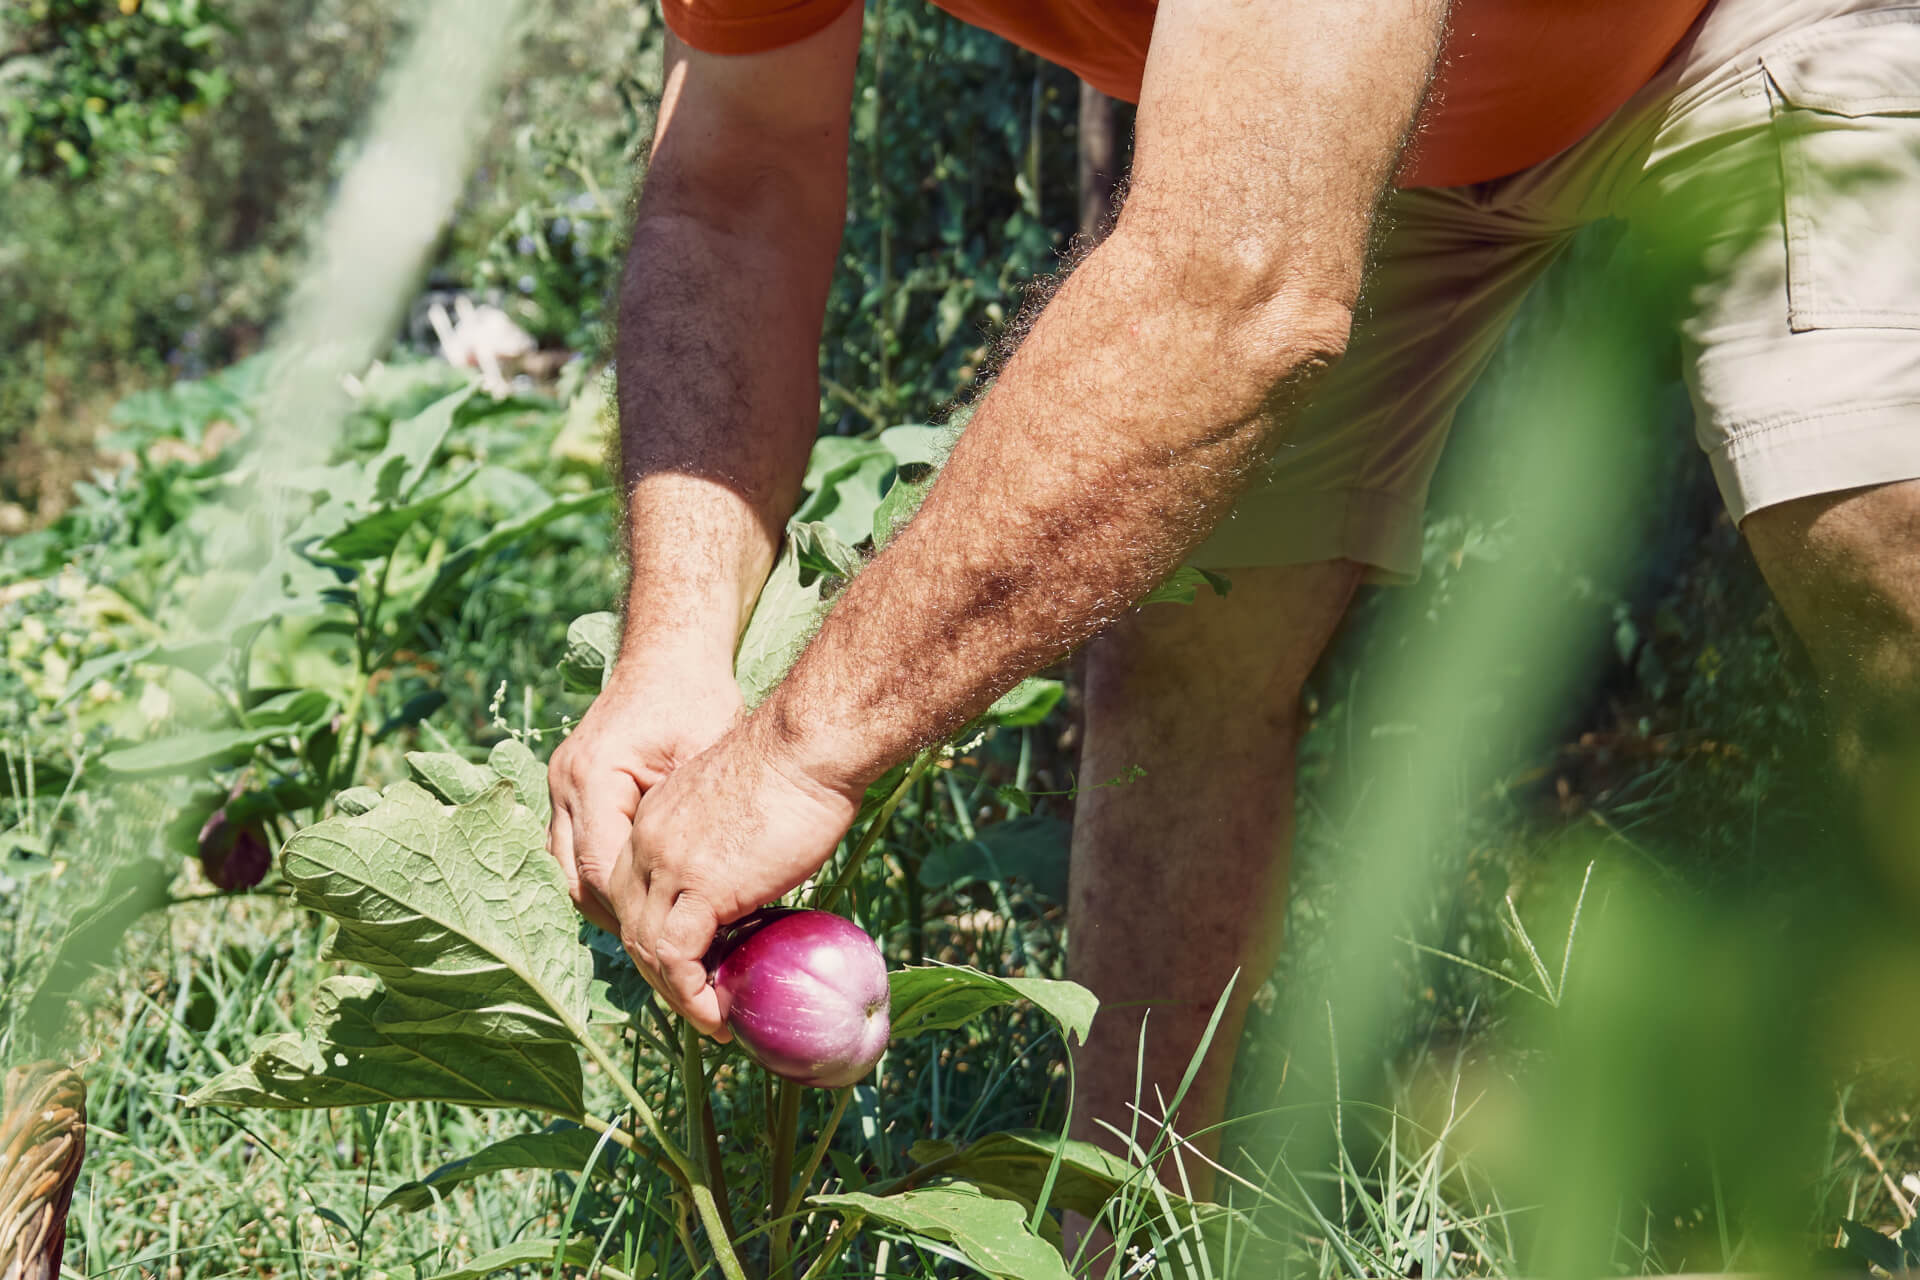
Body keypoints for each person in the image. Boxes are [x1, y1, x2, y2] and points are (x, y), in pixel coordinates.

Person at [545, 0, 1920, 1194]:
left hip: (1759, 20)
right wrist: (674, 645)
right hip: (1350, 107)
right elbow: (739, 166)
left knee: (1891, 553)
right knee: (1189, 638)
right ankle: (1123, 1226)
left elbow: (1242, 287)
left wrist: (802, 748)